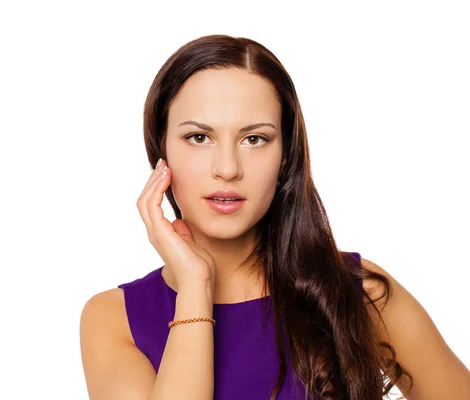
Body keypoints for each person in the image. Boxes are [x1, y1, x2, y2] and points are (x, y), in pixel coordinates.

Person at [79, 34, 470, 399]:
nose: (228, 168)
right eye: (199, 137)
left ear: (285, 157)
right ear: (160, 149)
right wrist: (196, 287)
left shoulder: (357, 293)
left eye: (255, 139)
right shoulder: (114, 319)